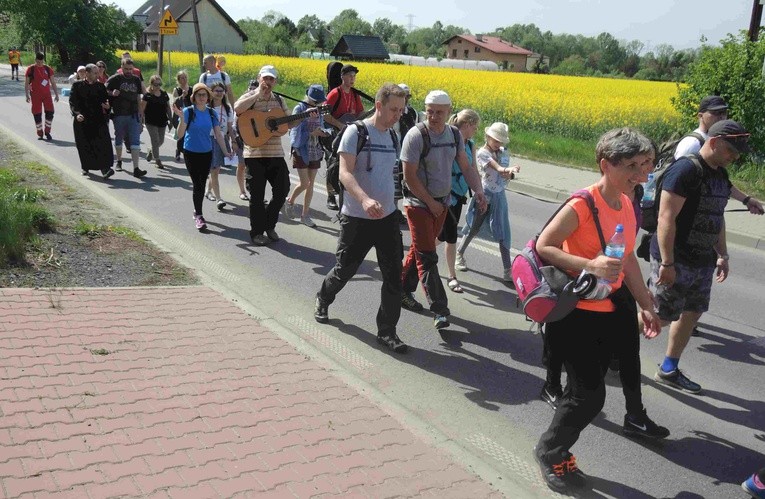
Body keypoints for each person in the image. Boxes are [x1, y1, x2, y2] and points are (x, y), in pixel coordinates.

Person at [533, 128, 661, 494]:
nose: (641, 174)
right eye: (632, 166)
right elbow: (545, 246)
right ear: (606, 165)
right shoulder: (583, 204)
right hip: (577, 311)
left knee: (588, 391)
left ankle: (560, 450)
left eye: (645, 164)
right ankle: (549, 451)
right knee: (588, 395)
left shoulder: (627, 200)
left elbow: (629, 259)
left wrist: (646, 305)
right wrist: (590, 264)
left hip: (610, 307)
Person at [650, 119, 757, 394]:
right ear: (713, 142)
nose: (734, 157)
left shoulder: (719, 174)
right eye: (731, 150)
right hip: (676, 257)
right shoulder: (685, 170)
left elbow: (716, 215)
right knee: (661, 316)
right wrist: (667, 262)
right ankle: (609, 345)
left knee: (691, 313)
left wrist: (722, 254)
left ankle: (669, 368)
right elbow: (666, 218)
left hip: (702, 259)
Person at [314, 83, 409, 353]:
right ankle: (324, 297)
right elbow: (345, 173)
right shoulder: (356, 132)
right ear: (379, 105)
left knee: (393, 276)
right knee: (345, 270)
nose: (398, 115)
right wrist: (365, 199)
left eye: (401, 110)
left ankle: (387, 332)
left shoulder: (393, 137)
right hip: (357, 218)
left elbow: (391, 175)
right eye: (393, 109)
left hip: (387, 218)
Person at [399, 90, 487, 330]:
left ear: (449, 111)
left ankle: (400, 290)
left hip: (442, 203)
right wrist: (430, 202)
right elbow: (409, 176)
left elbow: (466, 167)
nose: (434, 116)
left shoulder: (455, 135)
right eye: (429, 111)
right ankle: (440, 310)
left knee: (419, 249)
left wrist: (478, 190)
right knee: (428, 256)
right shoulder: (416, 135)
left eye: (439, 112)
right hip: (418, 204)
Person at [234, 65, 306, 246]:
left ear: (275, 82)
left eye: (271, 79)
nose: (268, 82)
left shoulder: (280, 101)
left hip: (275, 154)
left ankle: (269, 224)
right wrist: (258, 94)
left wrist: (305, 116)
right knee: (257, 197)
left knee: (282, 190)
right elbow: (237, 108)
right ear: (259, 78)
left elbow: (289, 123)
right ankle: (257, 232)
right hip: (254, 155)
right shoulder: (250, 96)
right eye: (265, 78)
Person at [675, 96, 763, 216]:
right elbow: (677, 182)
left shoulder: (719, 142)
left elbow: (719, 181)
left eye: (724, 113)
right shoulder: (692, 143)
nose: (721, 116)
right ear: (700, 116)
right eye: (715, 113)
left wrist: (746, 199)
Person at [456, 122, 519, 281]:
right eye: (496, 140)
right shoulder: (483, 153)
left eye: (501, 141)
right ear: (488, 137)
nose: (498, 144)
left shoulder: (504, 152)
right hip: (484, 194)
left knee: (503, 232)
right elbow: (497, 168)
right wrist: (508, 170)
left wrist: (510, 173)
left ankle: (507, 270)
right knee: (473, 227)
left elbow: (505, 175)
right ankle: (459, 254)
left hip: (499, 196)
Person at [173, 82, 232, 231]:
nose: (201, 97)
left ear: (208, 97)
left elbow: (218, 134)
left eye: (204, 95)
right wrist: (181, 119)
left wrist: (225, 152)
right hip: (191, 153)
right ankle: (199, 215)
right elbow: (179, 135)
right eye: (199, 94)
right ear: (194, 97)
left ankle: (196, 210)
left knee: (201, 183)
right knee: (198, 185)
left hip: (207, 152)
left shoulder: (211, 113)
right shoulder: (188, 111)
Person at [435, 109, 479, 293]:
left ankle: (417, 251)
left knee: (443, 235)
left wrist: (479, 191)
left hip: (460, 194)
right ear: (467, 125)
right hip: (447, 194)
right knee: (451, 235)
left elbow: (473, 169)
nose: (476, 131)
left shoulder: (470, 144)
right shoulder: (450, 139)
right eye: (475, 127)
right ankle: (452, 277)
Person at [284, 84, 329, 228]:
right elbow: (294, 132)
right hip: (301, 148)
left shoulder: (320, 111)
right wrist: (310, 132)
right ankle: (290, 201)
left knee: (311, 184)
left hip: (315, 148)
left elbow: (322, 125)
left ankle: (305, 215)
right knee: (305, 183)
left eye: (320, 101)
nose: (318, 104)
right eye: (315, 101)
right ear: (308, 98)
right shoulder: (300, 108)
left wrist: (324, 132)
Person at [323, 64, 365, 211]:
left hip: (350, 134)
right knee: (332, 164)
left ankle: (345, 194)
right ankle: (330, 196)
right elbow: (325, 114)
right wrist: (339, 125)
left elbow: (360, 114)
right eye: (350, 76)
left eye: (354, 76)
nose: (352, 79)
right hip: (335, 133)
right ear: (342, 76)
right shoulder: (335, 93)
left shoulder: (355, 94)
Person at [69, 63, 114, 179]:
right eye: (95, 73)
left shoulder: (100, 86)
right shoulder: (77, 86)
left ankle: (105, 169)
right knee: (85, 145)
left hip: (98, 119)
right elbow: (73, 102)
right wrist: (77, 114)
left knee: (103, 143)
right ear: (87, 73)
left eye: (98, 72)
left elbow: (106, 101)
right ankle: (86, 166)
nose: (97, 75)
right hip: (83, 120)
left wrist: (108, 106)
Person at [105, 58, 147, 178]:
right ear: (122, 68)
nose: (128, 71)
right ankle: (119, 161)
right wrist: (112, 93)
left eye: (130, 69)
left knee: (135, 140)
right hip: (119, 114)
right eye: (126, 69)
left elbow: (138, 97)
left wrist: (141, 114)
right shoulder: (115, 78)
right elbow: (103, 89)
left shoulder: (136, 79)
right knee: (119, 137)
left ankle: (136, 168)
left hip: (133, 114)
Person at [204, 81, 238, 211]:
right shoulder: (207, 108)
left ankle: (208, 190)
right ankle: (219, 198)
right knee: (214, 170)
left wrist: (234, 141)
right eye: (216, 90)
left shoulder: (227, 108)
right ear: (211, 92)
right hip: (209, 139)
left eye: (221, 91)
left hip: (222, 140)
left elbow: (229, 127)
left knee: (216, 170)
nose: (219, 93)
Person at [232, 79, 259, 201]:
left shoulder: (260, 104)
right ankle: (242, 191)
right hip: (241, 138)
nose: (252, 91)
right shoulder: (242, 102)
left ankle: (255, 192)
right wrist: (234, 140)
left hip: (256, 139)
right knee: (242, 165)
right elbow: (234, 123)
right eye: (251, 88)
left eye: (255, 89)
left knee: (255, 167)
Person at [24, 52, 59, 141]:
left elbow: (53, 82)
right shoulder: (30, 69)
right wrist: (27, 94)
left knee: (50, 112)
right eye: (38, 61)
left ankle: (47, 131)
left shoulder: (48, 69)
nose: (40, 63)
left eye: (41, 61)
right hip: (35, 95)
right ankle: (40, 132)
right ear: (35, 60)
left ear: (43, 60)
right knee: (37, 113)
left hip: (47, 95)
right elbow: (27, 82)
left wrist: (56, 94)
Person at [140, 74, 172, 170]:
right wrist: (141, 120)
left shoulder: (164, 94)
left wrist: (170, 119)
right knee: (155, 140)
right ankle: (157, 160)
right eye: (156, 84)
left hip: (162, 120)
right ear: (151, 84)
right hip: (150, 121)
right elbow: (142, 108)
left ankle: (151, 150)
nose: (158, 86)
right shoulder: (147, 95)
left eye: (159, 84)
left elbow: (168, 108)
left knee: (161, 140)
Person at [172, 70, 192, 162]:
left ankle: (186, 151)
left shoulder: (191, 89)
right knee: (181, 135)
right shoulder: (176, 90)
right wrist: (182, 96)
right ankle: (178, 151)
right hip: (180, 115)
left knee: (189, 133)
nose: (184, 80)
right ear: (178, 80)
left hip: (190, 114)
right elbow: (175, 102)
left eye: (185, 78)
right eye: (181, 78)